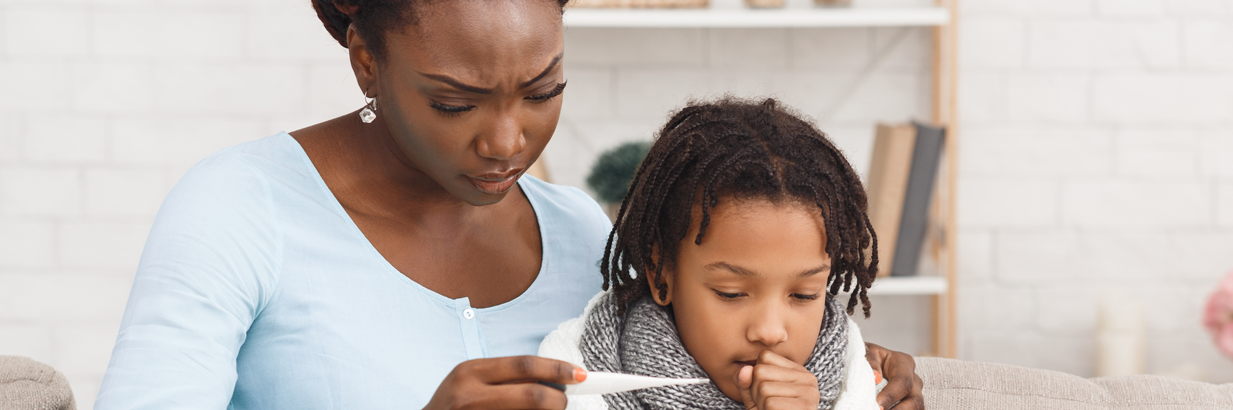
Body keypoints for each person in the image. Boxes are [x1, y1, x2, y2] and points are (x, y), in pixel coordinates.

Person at [93, 0, 924, 408]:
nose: (505, 141)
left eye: (542, 90)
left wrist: (847, 368)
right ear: (365, 62)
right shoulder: (239, 210)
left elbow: (702, 367)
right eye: (454, 103)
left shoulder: (581, 235)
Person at [539, 97, 883, 410]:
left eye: (804, 294)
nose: (769, 331)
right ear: (661, 274)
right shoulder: (576, 374)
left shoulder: (855, 379)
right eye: (730, 293)